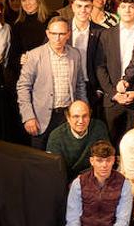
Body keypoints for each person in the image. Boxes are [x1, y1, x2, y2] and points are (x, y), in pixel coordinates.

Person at [17, 15, 88, 149]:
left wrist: (83, 110)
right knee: (39, 160)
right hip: (40, 117)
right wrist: (28, 116)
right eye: (54, 33)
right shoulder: (34, 55)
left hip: (67, 116)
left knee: (64, 157)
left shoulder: (75, 54)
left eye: (61, 34)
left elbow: (80, 85)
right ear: (47, 33)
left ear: (68, 34)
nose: (57, 38)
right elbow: (23, 87)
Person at [96, 0, 134, 139]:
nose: (127, 10)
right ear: (117, 10)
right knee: (111, 142)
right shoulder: (106, 35)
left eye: (131, 7)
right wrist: (114, 93)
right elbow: (100, 67)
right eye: (123, 6)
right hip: (113, 99)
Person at [46, 99, 109, 178]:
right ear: (68, 118)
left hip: (94, 177)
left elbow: (105, 158)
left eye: (85, 116)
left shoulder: (99, 128)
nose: (81, 121)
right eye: (76, 116)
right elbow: (55, 169)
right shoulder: (56, 136)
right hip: (67, 181)